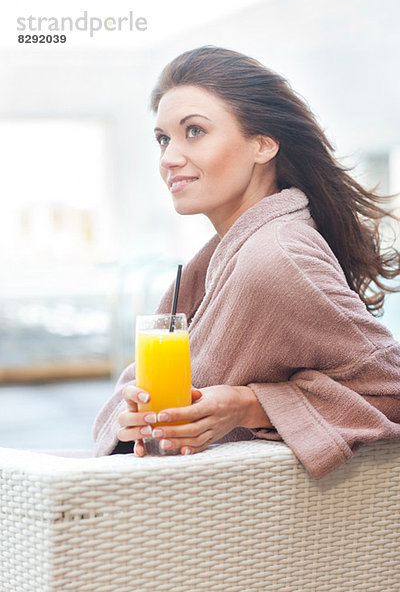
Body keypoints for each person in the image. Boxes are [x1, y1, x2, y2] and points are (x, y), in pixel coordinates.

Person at [93, 45, 400, 479]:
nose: (168, 158)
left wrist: (249, 405)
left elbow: (392, 388)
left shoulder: (277, 258)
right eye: (163, 139)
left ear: (263, 144)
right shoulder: (228, 253)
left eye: (194, 131)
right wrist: (135, 418)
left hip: (244, 529)